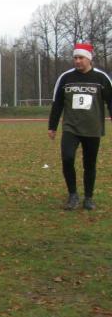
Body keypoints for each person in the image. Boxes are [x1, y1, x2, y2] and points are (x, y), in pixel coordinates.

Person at [48, 42, 112, 210]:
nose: (77, 61)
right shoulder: (66, 78)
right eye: (75, 58)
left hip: (92, 128)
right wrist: (52, 126)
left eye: (81, 58)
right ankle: (73, 195)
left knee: (89, 164)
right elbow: (57, 103)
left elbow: (111, 101)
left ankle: (88, 198)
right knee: (67, 158)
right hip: (71, 127)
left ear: (89, 58)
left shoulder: (101, 78)